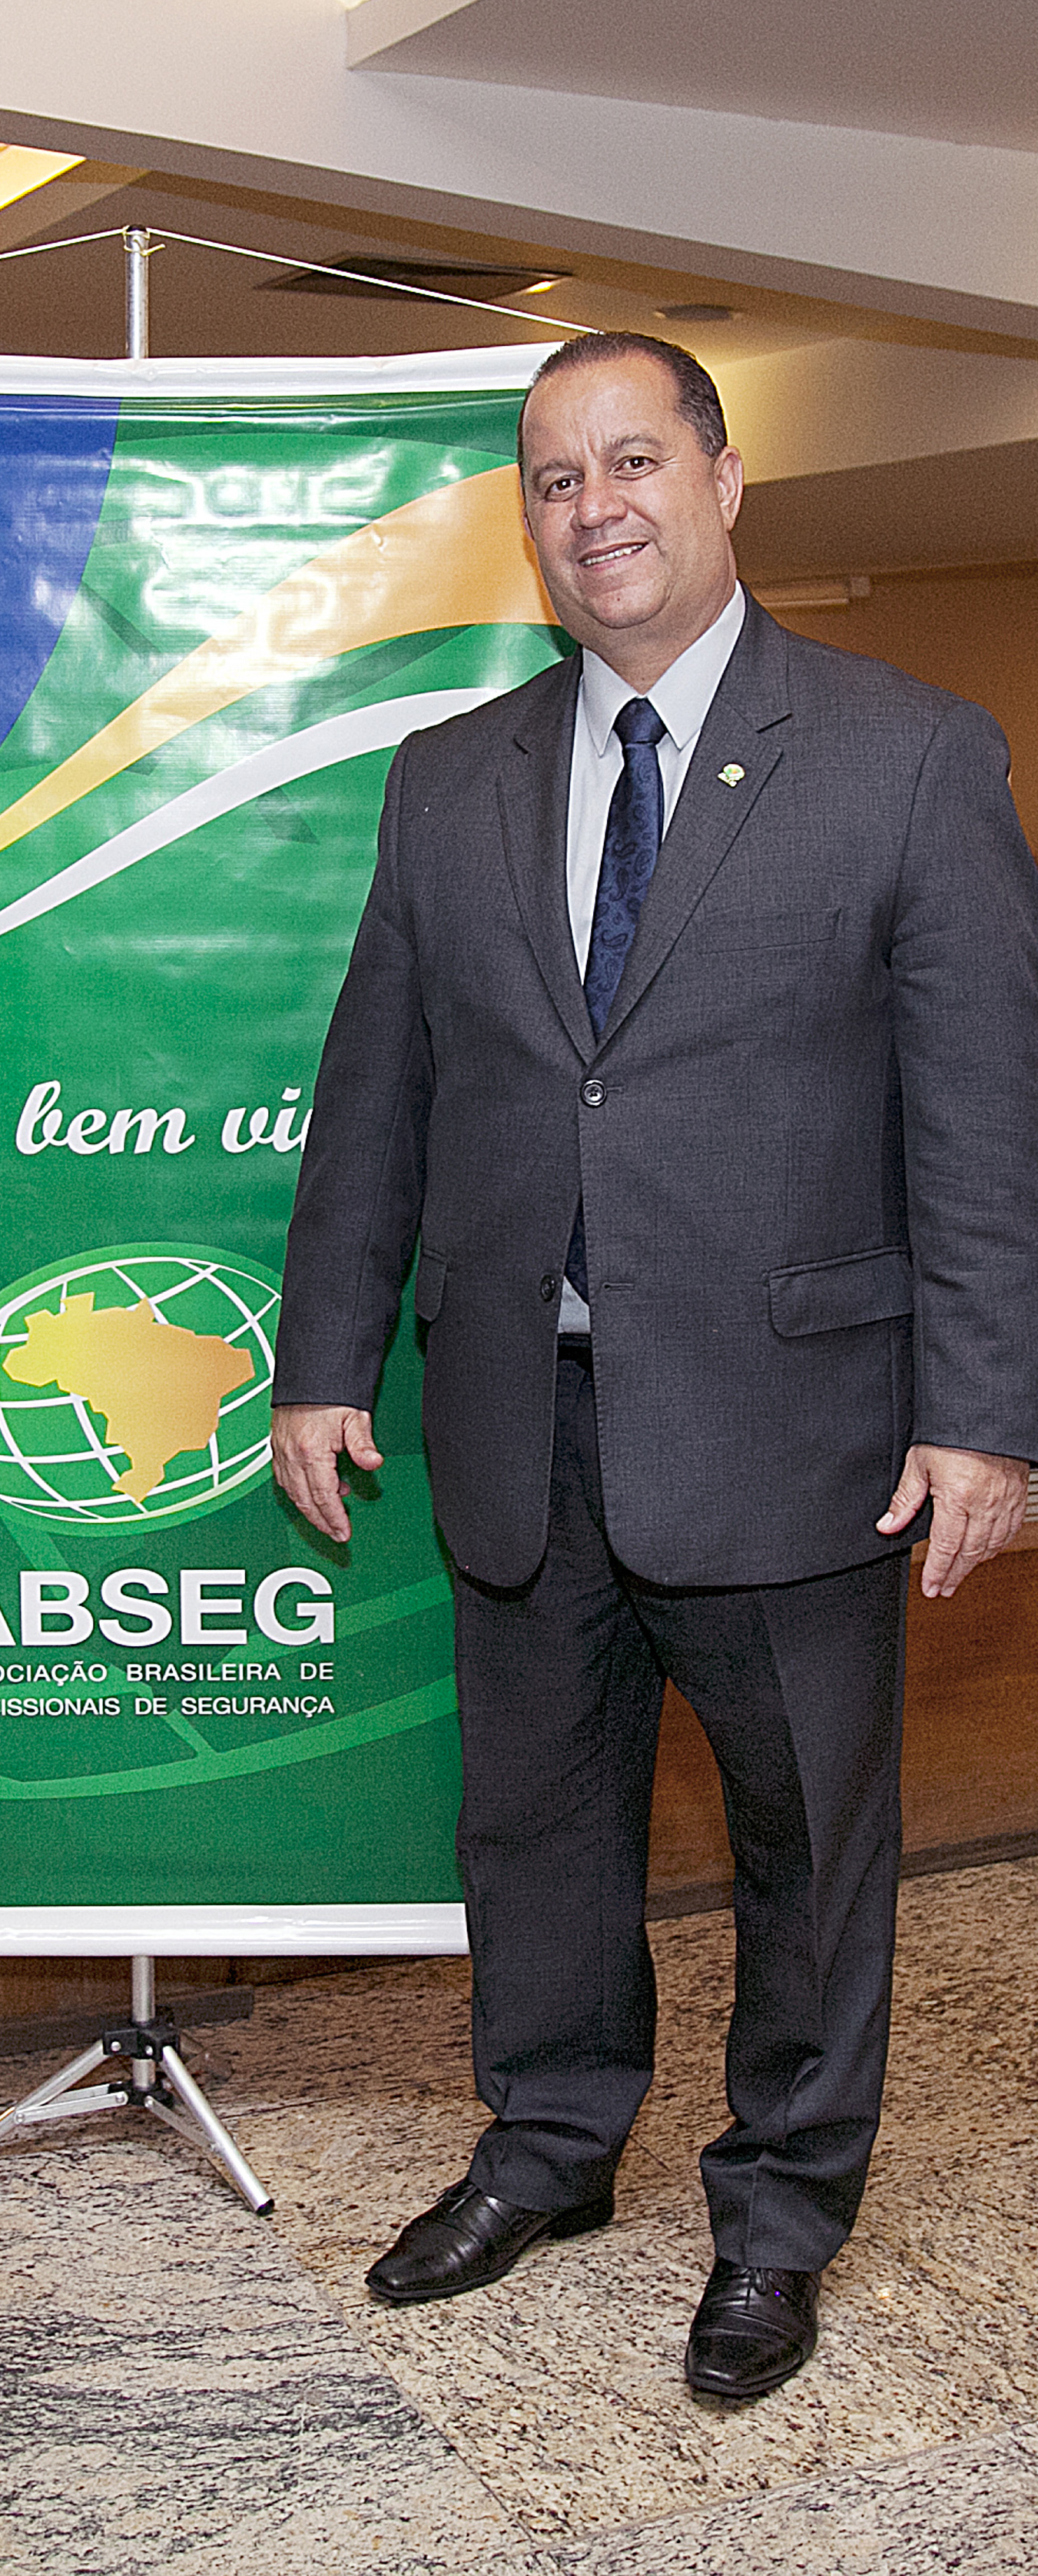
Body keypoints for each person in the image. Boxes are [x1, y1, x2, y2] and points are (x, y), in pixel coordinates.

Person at [271, 330, 1038, 2403]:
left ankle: (779, 2216)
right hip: (520, 1415)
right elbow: (380, 1096)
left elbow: (987, 1122)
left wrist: (986, 1415)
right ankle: (549, 2147)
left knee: (810, 1851)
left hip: (799, 1430)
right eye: (553, 478)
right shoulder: (451, 779)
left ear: (723, 480)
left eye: (632, 462)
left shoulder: (908, 755)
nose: (594, 507)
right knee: (534, 1828)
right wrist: (324, 1356)